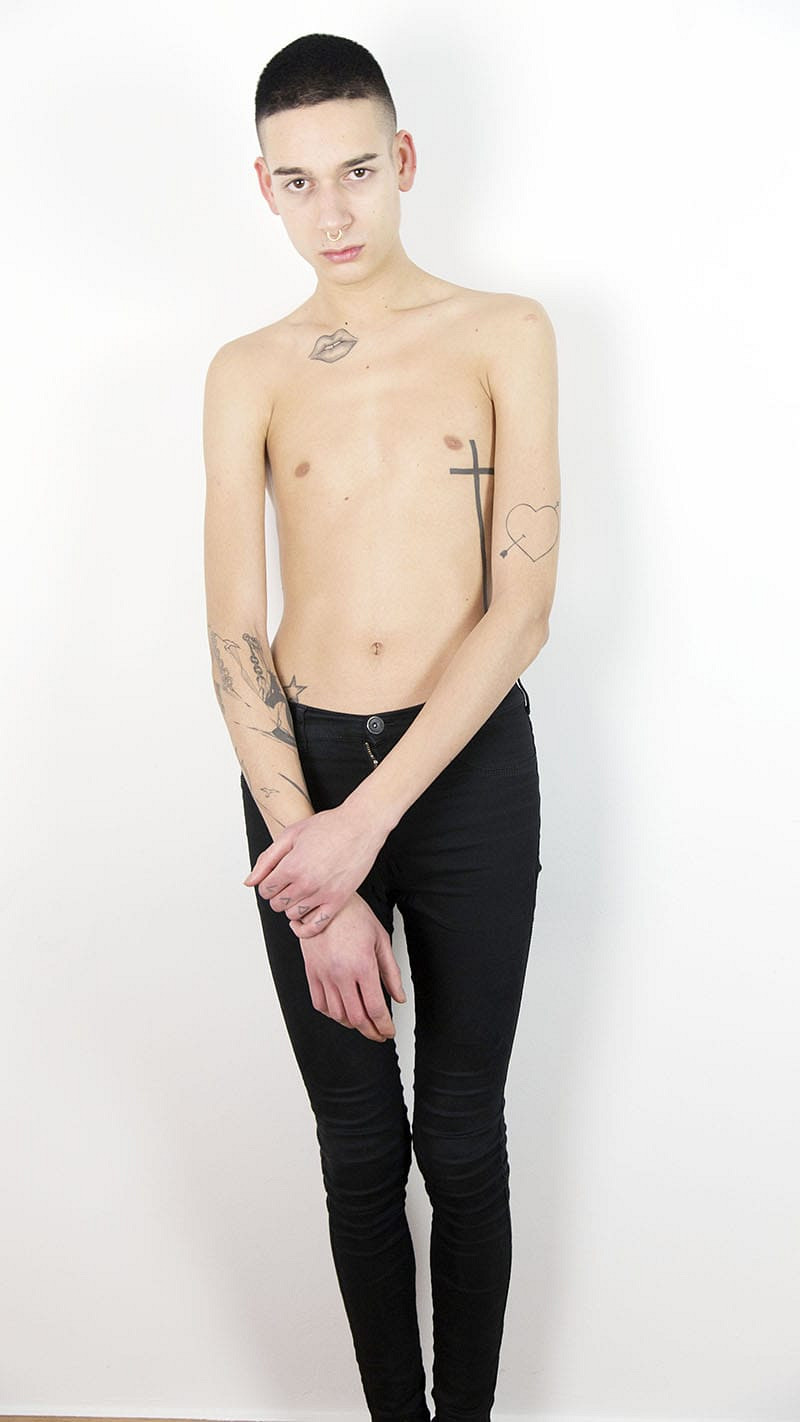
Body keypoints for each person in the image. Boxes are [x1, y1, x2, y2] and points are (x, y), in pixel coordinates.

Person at [202, 31, 561, 1422]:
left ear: (402, 159)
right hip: (298, 776)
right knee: (359, 1147)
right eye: (298, 182)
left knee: (460, 1140)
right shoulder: (248, 369)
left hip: (462, 771)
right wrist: (316, 864)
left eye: (357, 170)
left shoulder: (503, 333)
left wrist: (368, 827)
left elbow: (521, 609)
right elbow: (235, 635)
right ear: (265, 187)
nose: (333, 211)